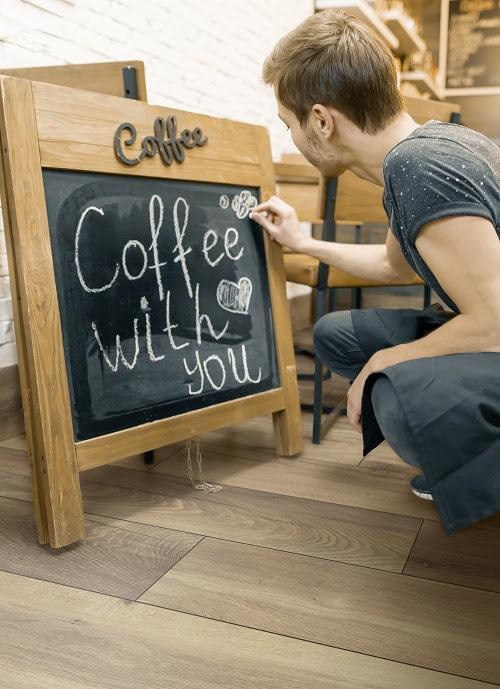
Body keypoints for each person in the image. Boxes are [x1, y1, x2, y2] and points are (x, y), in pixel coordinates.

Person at [249, 9, 500, 533]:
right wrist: (302, 241)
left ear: (321, 119)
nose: (292, 138)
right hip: (486, 323)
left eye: (288, 124)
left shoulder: (420, 168)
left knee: (395, 395)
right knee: (338, 335)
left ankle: (474, 464)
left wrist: (386, 361)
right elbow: (391, 265)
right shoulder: (419, 153)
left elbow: (496, 323)